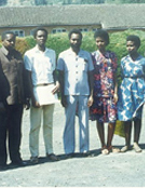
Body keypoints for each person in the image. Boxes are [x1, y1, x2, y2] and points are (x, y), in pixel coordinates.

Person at [0, 31, 30, 171]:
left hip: (17, 100)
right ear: (2, 41)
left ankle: (16, 158)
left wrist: (26, 97)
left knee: (16, 131)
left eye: (13, 40)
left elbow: (24, 77)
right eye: (8, 40)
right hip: (4, 102)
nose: (11, 43)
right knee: (1, 132)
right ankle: (1, 161)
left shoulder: (18, 55)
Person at [24, 27, 60, 163]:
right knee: (35, 125)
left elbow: (54, 71)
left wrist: (57, 83)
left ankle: (50, 151)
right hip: (37, 90)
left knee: (49, 124)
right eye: (39, 36)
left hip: (50, 89)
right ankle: (34, 154)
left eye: (44, 36)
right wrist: (32, 97)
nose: (42, 38)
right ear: (35, 38)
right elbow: (27, 76)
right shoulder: (29, 54)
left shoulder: (52, 53)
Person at [57, 29, 94, 157]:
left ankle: (84, 149)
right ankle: (69, 149)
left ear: (81, 40)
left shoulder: (87, 55)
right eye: (73, 39)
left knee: (84, 121)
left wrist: (91, 94)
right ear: (69, 40)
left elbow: (90, 75)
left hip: (84, 92)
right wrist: (62, 95)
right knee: (69, 122)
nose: (75, 42)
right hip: (69, 93)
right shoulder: (63, 56)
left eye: (78, 39)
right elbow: (60, 77)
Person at [90, 29, 120, 155]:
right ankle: (103, 145)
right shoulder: (92, 56)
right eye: (97, 41)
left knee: (112, 120)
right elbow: (90, 77)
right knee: (100, 120)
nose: (99, 43)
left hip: (110, 92)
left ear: (106, 41)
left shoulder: (112, 56)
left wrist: (116, 92)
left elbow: (116, 76)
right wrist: (91, 94)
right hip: (98, 92)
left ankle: (110, 143)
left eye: (102, 41)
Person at [117, 35, 145, 153]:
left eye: (132, 45)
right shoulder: (124, 60)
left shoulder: (143, 60)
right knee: (126, 116)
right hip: (126, 89)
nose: (129, 48)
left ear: (137, 46)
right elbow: (122, 74)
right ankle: (127, 143)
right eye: (128, 45)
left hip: (139, 88)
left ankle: (136, 142)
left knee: (137, 116)